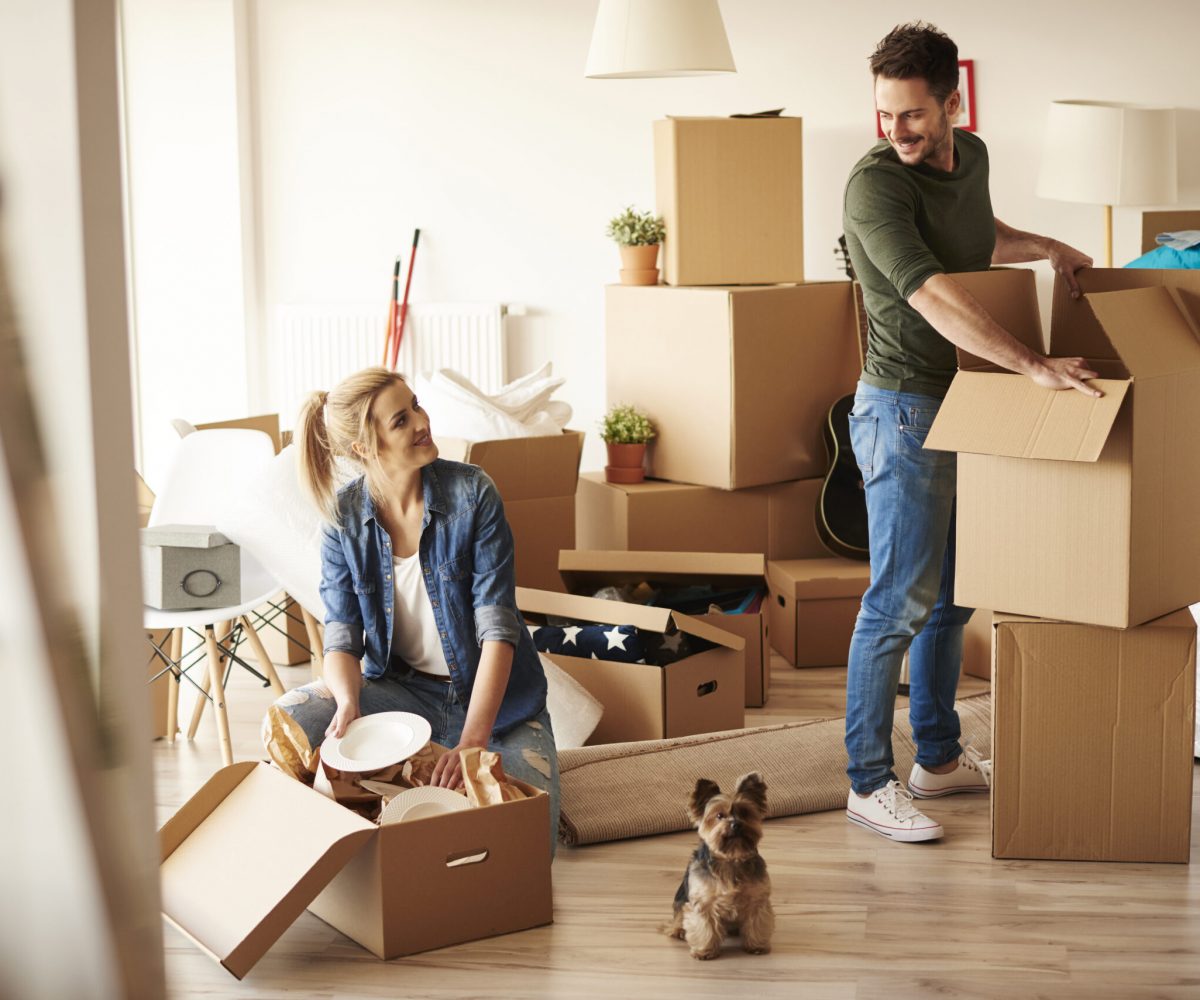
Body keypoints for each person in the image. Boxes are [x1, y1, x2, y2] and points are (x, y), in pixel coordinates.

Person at [841, 22, 1099, 842]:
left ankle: (938, 759)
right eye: (886, 115)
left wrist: (1046, 246)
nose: (897, 132)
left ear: (953, 103)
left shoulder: (973, 156)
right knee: (897, 602)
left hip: (965, 402)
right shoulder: (874, 187)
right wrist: (1032, 365)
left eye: (913, 115)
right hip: (903, 409)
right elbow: (932, 293)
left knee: (953, 600)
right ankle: (867, 780)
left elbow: (973, 239)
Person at [265, 366, 559, 845]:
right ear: (365, 448)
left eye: (416, 406)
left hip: (499, 707)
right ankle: (354, 821)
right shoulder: (343, 518)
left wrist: (471, 742)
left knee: (527, 839)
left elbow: (498, 630)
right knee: (292, 716)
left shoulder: (473, 493)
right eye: (401, 421)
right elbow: (342, 631)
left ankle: (418, 775)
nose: (422, 421)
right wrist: (348, 703)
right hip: (403, 695)